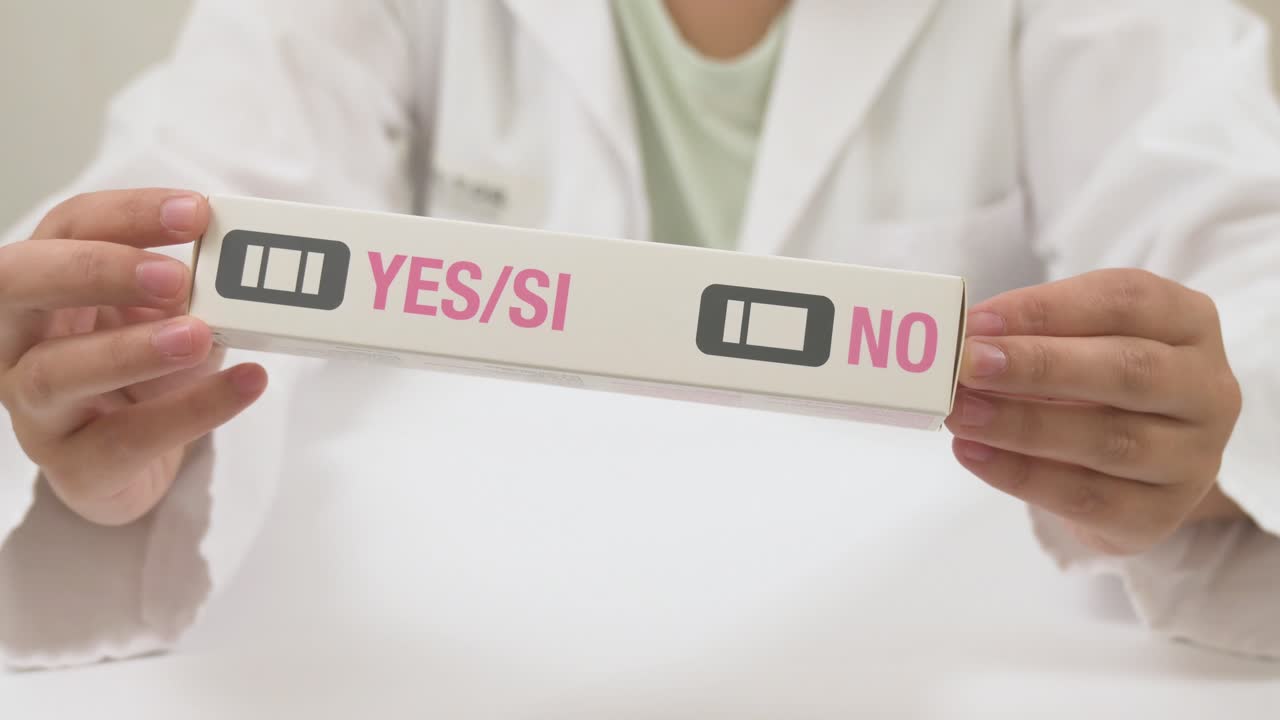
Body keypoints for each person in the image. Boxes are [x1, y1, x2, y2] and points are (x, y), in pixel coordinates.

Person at [0, 0, 1277, 674]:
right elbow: (179, 200)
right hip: (451, 642)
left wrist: (1202, 458)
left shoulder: (1112, 16)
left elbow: (1245, 291)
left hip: (914, 658)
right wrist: (99, 416)